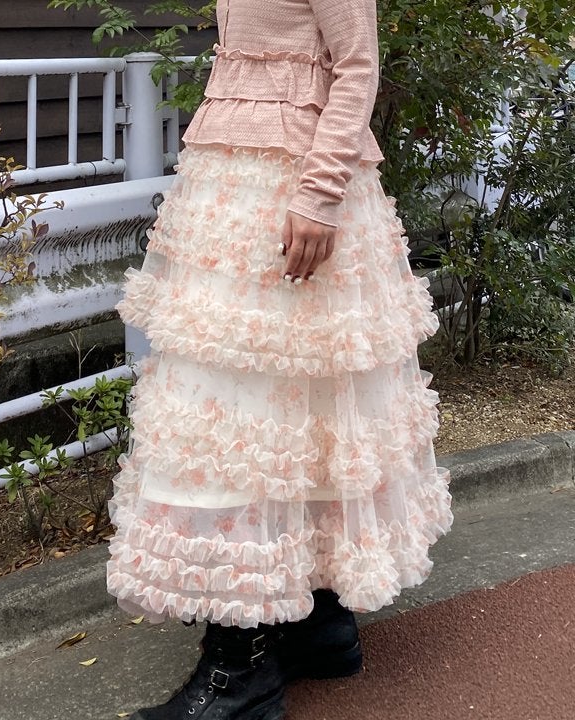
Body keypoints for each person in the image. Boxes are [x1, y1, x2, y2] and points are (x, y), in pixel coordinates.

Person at [107, 1, 454, 718]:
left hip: (295, 196)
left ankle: (243, 666)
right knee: (271, 412)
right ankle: (317, 627)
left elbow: (356, 64)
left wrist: (319, 195)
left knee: (247, 411)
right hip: (232, 196)